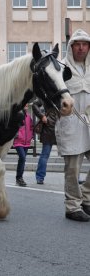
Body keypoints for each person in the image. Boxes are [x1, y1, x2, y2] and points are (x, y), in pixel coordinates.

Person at [55, 28, 90, 222]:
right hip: (71, 123)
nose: (81, 48)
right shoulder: (61, 69)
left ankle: (86, 197)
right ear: (71, 47)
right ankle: (72, 206)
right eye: (77, 44)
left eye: (85, 44)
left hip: (89, 124)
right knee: (72, 169)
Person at [32, 98, 58, 185]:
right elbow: (34, 104)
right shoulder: (47, 95)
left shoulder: (48, 94)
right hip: (50, 128)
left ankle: (76, 178)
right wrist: (42, 116)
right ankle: (40, 177)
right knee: (45, 155)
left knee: (71, 155)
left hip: (61, 128)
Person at [13, 104, 33, 187]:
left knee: (23, 159)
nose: (26, 107)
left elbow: (31, 127)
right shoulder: (17, 116)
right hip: (18, 141)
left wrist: (30, 137)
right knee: (22, 157)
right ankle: (19, 177)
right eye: (25, 106)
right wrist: (17, 135)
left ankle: (19, 178)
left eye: (27, 106)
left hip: (26, 142)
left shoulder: (29, 117)